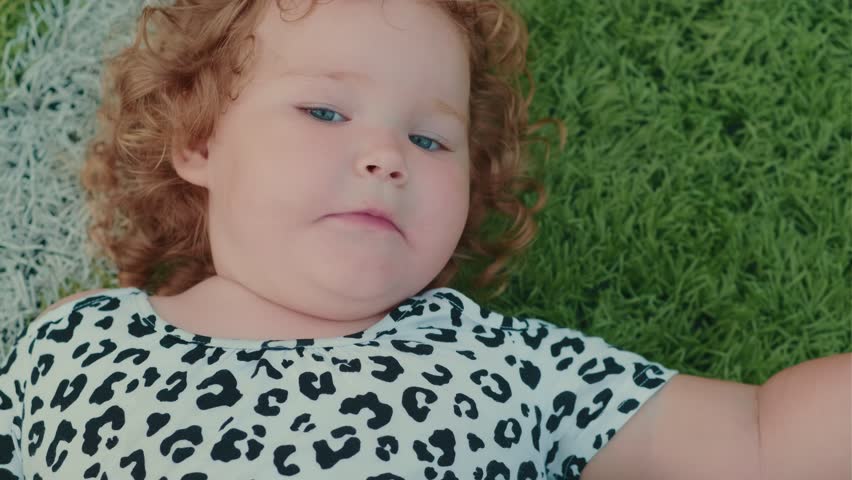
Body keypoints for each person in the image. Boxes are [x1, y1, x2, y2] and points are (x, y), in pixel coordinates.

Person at [1, 0, 848, 478]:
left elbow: (763, 439)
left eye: (431, 139)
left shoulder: (507, 365)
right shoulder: (78, 342)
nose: (387, 156)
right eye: (324, 110)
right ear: (200, 141)